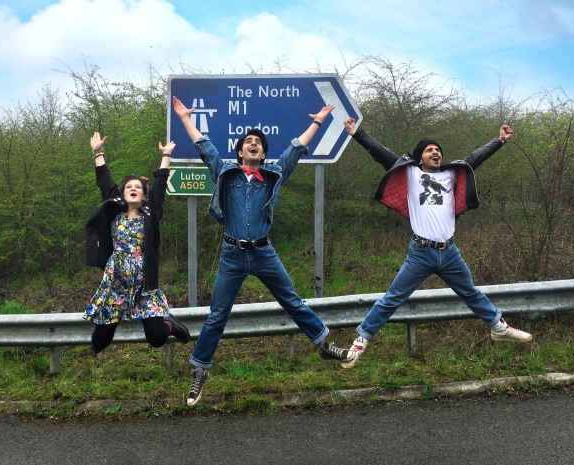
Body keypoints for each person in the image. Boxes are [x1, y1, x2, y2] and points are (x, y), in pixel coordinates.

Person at [172, 96, 352, 406]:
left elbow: (295, 150)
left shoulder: (273, 175)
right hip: (232, 255)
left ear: (263, 153)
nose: (254, 144)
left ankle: (322, 344)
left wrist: (318, 121)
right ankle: (200, 370)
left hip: (263, 252)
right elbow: (204, 146)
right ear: (240, 151)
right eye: (248, 142)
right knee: (217, 316)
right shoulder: (225, 173)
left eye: (259, 142)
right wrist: (186, 117)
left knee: (292, 301)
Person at [340, 118, 533, 369]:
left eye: (438, 150)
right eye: (430, 149)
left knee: (470, 292)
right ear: (420, 158)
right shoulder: (410, 173)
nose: (436, 152)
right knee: (392, 299)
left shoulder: (452, 174)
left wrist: (499, 141)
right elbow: (382, 154)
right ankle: (360, 343)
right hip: (420, 253)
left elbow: (476, 158)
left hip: (450, 252)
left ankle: (498, 328)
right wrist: (357, 134)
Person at [83, 132, 190, 354]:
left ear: (144, 195)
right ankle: (103, 333)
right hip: (116, 282)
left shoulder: (151, 213)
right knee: (99, 342)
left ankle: (169, 323)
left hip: (144, 283)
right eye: (129, 186)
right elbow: (104, 181)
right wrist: (97, 152)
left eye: (138, 187)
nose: (133, 188)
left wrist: (166, 155)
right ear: (122, 193)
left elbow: (161, 184)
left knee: (157, 338)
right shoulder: (114, 211)